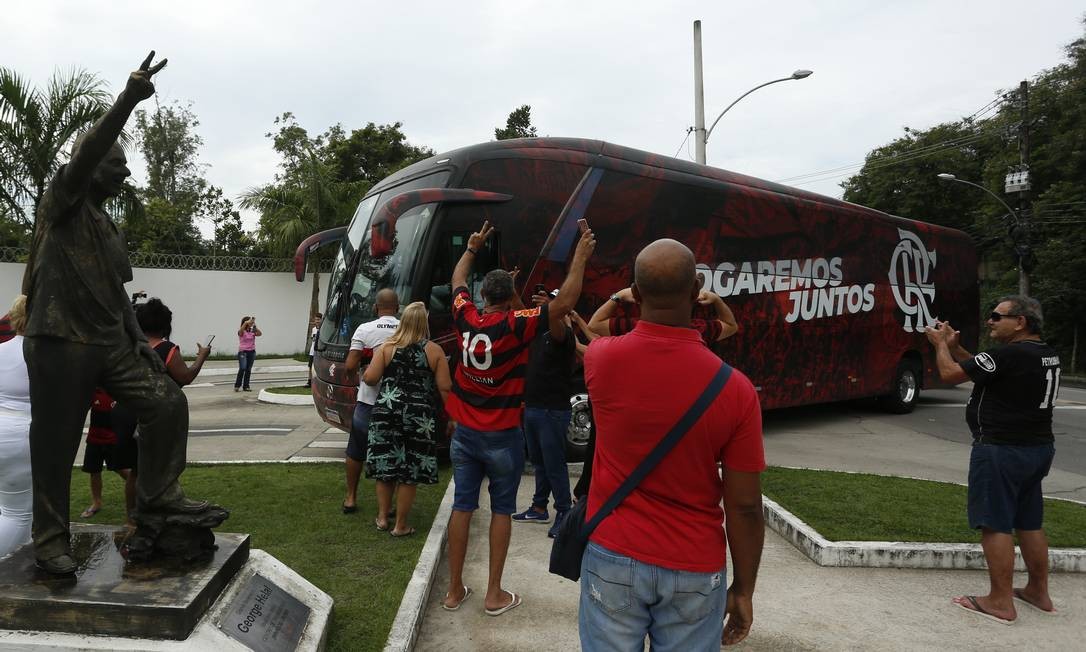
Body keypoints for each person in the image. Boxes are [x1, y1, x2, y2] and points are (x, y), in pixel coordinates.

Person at [21, 52, 218, 575]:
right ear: (90, 168)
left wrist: (141, 345)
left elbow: (115, 294)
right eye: (117, 163)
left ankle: (157, 498)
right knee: (58, 440)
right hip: (61, 338)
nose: (126, 170)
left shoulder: (107, 225)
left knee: (165, 403)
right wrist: (129, 98)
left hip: (109, 338)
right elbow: (86, 153)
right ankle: (50, 541)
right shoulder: (63, 199)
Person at [579, 239, 765, 650]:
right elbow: (746, 506)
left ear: (636, 293)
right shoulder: (736, 390)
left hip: (613, 551)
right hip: (695, 565)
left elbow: (592, 330)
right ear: (697, 288)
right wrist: (744, 589)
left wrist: (618, 296)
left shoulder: (601, 360)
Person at [441, 220, 595, 616]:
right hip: (503, 436)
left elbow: (457, 276)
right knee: (501, 511)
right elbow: (564, 304)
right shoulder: (516, 323)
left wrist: (473, 246)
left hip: (465, 435)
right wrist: (579, 258)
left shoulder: (466, 318)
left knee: (462, 507)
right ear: (510, 297)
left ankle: (455, 590)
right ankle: (494, 594)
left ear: (482, 295)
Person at [925, 295, 1061, 623]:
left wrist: (941, 344)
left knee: (994, 522)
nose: (990, 321)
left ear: (1021, 322)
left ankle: (1000, 601)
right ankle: (1037, 592)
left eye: (997, 317)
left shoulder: (1009, 354)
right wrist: (958, 349)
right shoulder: (1044, 353)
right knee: (1029, 521)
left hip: (1001, 449)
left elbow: (948, 374)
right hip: (1037, 449)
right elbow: (982, 370)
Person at [362, 302, 452, 536]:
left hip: (386, 412)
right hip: (419, 416)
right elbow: (445, 388)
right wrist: (453, 417)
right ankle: (400, 524)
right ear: (425, 323)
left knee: (385, 463)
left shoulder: (387, 347)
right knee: (410, 471)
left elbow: (371, 378)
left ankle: (382, 517)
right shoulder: (434, 350)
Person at [511, 288, 577, 539]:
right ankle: (539, 506)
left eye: (555, 302)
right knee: (539, 461)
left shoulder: (564, 334)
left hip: (552, 411)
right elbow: (521, 311)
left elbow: (556, 323)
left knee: (554, 464)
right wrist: (514, 289)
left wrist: (552, 309)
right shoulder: (539, 330)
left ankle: (564, 512)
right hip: (534, 407)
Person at [342, 289, 400, 514]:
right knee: (393, 450)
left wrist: (356, 379)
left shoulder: (364, 329)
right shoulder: (406, 329)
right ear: (397, 308)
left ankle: (351, 497)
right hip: (397, 400)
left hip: (368, 399)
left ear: (375, 308)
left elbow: (349, 365)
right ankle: (390, 505)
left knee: (356, 450)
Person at [588, 285, 738, 343]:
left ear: (638, 297)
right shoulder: (697, 330)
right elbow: (731, 326)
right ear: (693, 296)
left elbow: (594, 325)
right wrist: (717, 300)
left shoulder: (632, 328)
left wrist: (618, 295)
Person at [0, 296, 31, 558]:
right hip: (19, 434)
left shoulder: (1, 350)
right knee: (17, 514)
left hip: (3, 426)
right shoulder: (42, 355)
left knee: (12, 510)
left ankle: (18, 563)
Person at [79, 389, 134, 520]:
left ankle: (142, 493)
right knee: (94, 471)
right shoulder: (94, 390)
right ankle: (96, 503)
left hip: (113, 439)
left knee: (121, 469)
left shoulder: (119, 391)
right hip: (94, 438)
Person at [234, 316, 261, 391]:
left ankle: (246, 386)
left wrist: (254, 325)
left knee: (248, 369)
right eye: (249, 322)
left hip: (252, 352)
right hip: (243, 352)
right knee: (242, 368)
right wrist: (246, 322)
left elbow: (259, 334)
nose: (250, 323)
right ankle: (237, 385)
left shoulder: (252, 331)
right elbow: (240, 332)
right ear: (245, 322)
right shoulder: (242, 331)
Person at [306, 312, 323, 388]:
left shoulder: (323, 329)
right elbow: (312, 339)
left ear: (321, 320)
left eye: (318, 319)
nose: (317, 321)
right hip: (312, 351)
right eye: (316, 319)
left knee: (318, 367)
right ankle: (309, 382)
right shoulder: (313, 329)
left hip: (319, 351)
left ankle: (318, 382)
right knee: (310, 366)